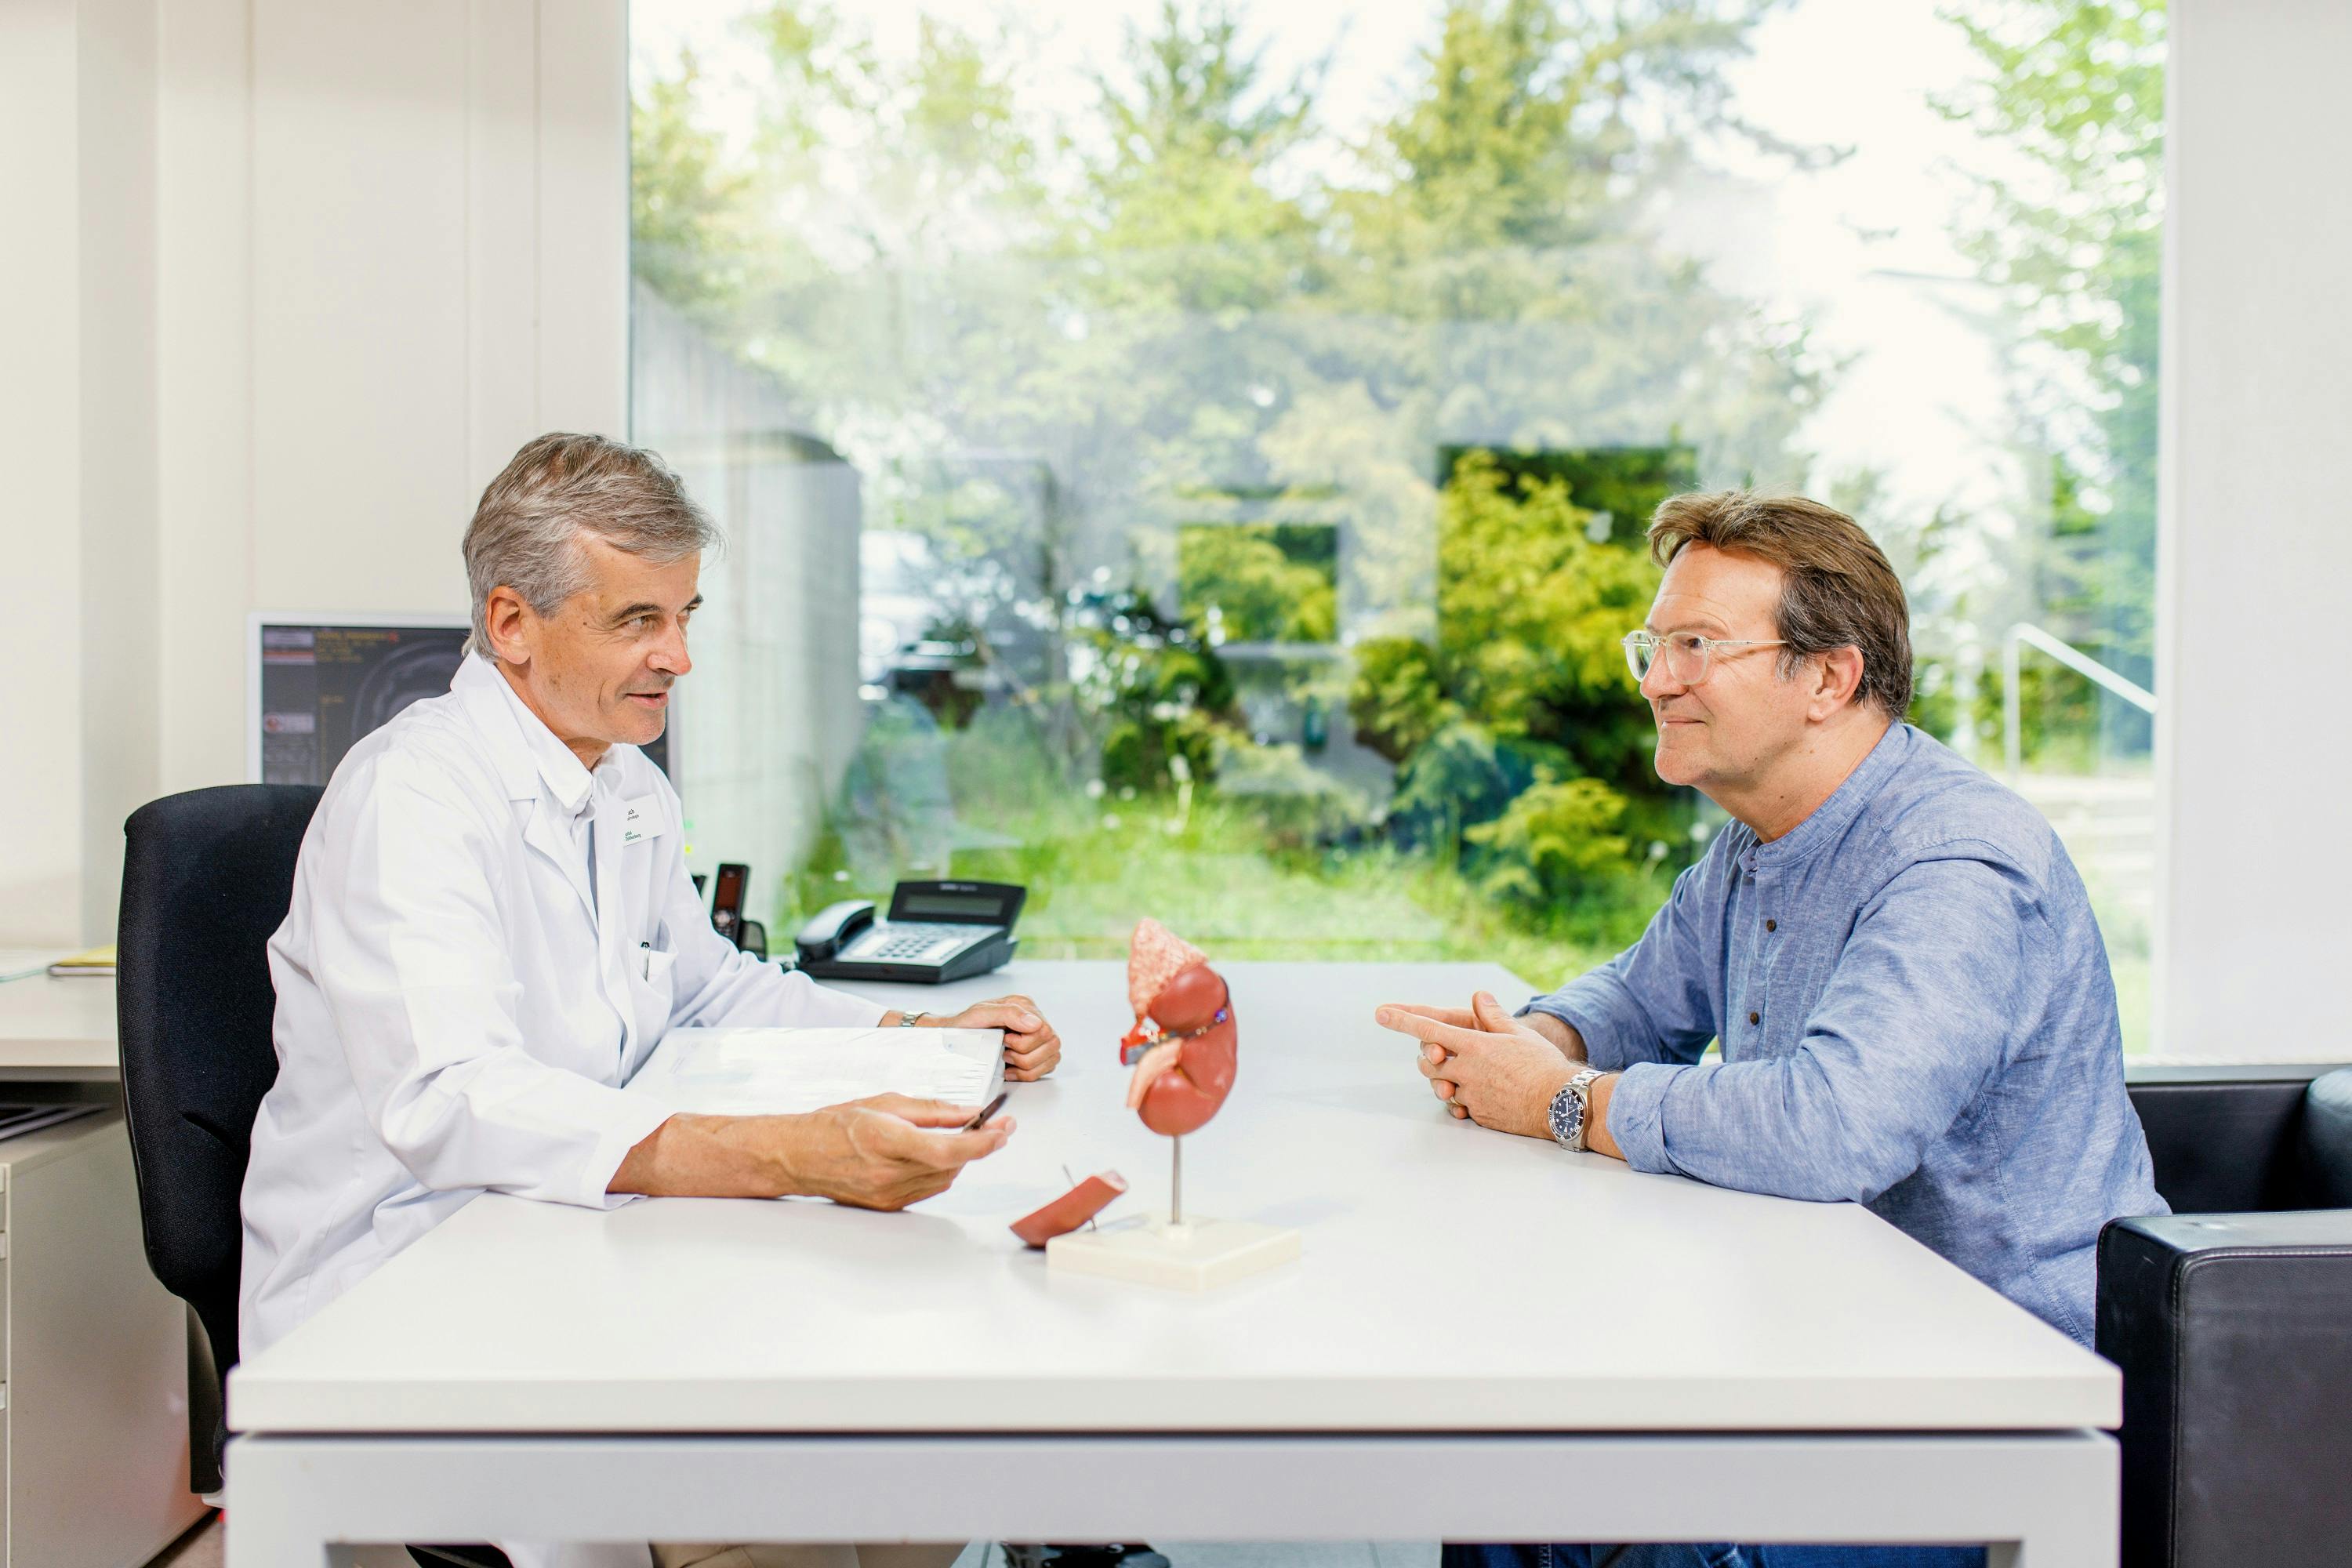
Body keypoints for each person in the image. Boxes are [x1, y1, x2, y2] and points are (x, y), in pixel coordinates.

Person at [241, 433, 1062, 1568]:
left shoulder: (617, 781)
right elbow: (452, 1098)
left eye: (686, 616)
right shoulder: (414, 797)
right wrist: (787, 1156)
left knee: (902, 1443)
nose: (679, 657)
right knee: (780, 1478)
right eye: (638, 620)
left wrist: (916, 1036)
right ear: (513, 624)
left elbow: (707, 990)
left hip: (568, 1239)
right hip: (409, 1281)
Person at [1374, 489, 2164, 1568]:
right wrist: (1537, 1041)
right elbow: (1641, 1000)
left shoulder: (1956, 864)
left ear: (1828, 678)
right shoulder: (1758, 843)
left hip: (1982, 1401)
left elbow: (1839, 1129)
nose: (1657, 679)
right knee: (1509, 1480)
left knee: (1630, 1532)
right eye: (1653, 646)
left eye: (1696, 645)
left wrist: (1562, 1104)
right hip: (1816, 1337)